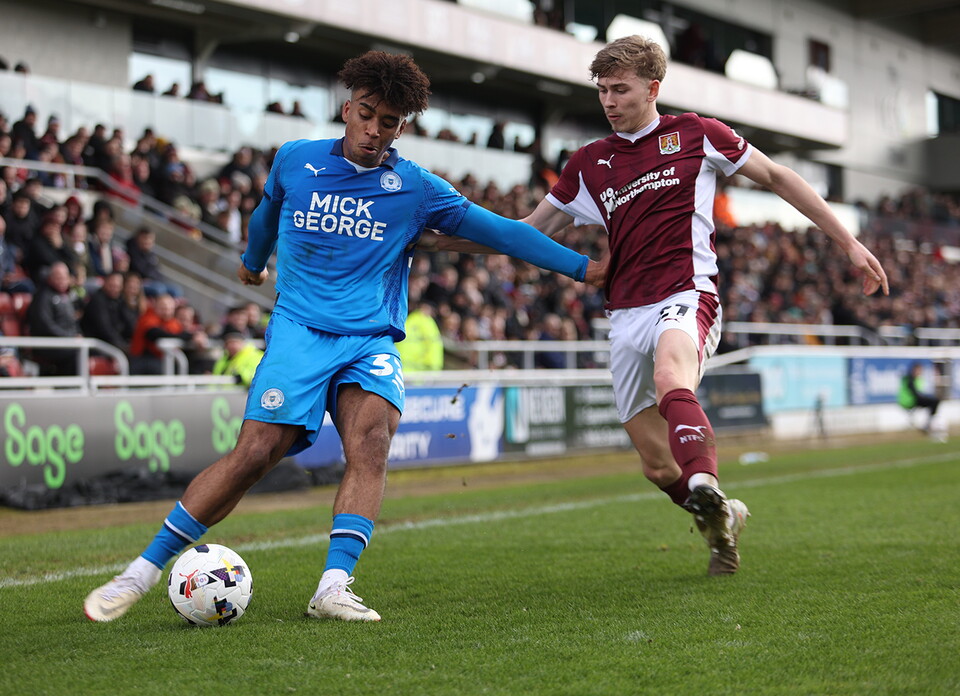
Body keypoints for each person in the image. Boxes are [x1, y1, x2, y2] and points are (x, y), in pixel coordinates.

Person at [84, 49, 603, 624]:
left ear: (403, 127)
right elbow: (266, 214)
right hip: (299, 331)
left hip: (369, 340)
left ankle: (333, 585)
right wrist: (253, 261)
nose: (374, 131)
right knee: (255, 454)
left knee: (372, 442)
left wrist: (583, 270)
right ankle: (140, 572)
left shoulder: (417, 188)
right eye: (367, 114)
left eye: (389, 122)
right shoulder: (294, 160)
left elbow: (506, 233)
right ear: (347, 108)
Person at [425, 35, 889, 576]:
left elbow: (779, 177)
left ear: (653, 88)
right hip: (624, 313)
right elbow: (525, 233)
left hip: (686, 294)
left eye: (620, 89)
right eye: (602, 91)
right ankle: (722, 523)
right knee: (653, 462)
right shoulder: (590, 163)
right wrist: (433, 240)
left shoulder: (694, 133)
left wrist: (849, 243)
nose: (608, 101)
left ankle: (706, 484)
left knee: (674, 376)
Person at [898, 362, 943, 439]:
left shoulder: (916, 379)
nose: (919, 372)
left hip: (913, 400)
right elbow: (915, 393)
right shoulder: (910, 380)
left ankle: (930, 423)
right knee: (934, 401)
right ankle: (929, 424)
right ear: (914, 370)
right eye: (918, 370)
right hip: (910, 401)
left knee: (934, 401)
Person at [396, 300, 444, 371]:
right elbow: (434, 346)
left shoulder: (408, 320)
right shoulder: (427, 322)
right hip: (420, 370)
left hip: (402, 366)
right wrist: (434, 368)